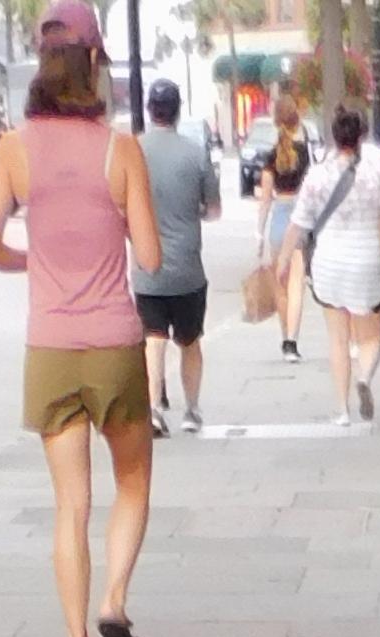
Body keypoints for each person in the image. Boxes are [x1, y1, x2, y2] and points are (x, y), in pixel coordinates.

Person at [0, 0, 160, 637]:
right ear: (95, 65)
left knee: (70, 505)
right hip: (114, 343)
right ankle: (114, 600)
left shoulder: (13, 150)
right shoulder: (121, 149)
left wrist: (35, 262)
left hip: (48, 348)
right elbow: (149, 255)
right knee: (133, 481)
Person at [291, 104, 380, 428]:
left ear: (334, 137)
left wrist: (283, 261)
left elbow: (299, 221)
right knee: (371, 337)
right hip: (366, 260)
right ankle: (364, 375)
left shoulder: (320, 168)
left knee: (337, 338)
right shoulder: (378, 162)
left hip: (329, 263)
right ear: (362, 134)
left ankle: (341, 409)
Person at [133, 75, 216, 436]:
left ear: (151, 111)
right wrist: (192, 211)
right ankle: (192, 410)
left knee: (153, 339)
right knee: (190, 340)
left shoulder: (132, 151)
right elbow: (213, 209)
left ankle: (152, 408)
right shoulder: (196, 153)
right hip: (187, 266)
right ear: (178, 112)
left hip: (146, 267)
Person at [261, 93, 311, 358]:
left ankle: (284, 335)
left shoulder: (270, 155)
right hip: (299, 218)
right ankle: (292, 340)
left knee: (280, 284)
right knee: (296, 284)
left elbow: (265, 197)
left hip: (278, 217)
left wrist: (258, 233)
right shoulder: (305, 153)